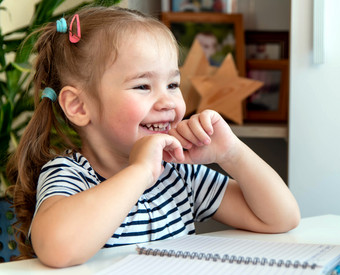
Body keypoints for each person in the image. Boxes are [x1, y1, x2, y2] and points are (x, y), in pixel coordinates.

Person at [6, 6, 300, 268]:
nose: (168, 103)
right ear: (79, 106)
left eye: (173, 84)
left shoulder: (178, 174)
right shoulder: (70, 175)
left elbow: (280, 218)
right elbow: (59, 249)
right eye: (143, 86)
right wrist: (141, 172)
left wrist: (232, 153)